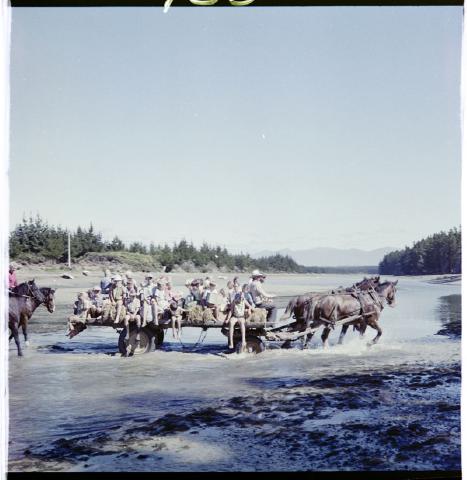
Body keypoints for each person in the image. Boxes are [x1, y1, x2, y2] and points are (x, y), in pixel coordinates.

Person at [123, 291, 142, 355]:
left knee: (138, 318)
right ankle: (127, 334)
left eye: (134, 296)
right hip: (129, 313)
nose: (133, 297)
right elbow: (126, 310)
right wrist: (130, 315)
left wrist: (133, 315)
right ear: (130, 296)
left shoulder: (137, 301)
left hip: (135, 313)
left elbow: (137, 309)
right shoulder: (127, 301)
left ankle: (138, 335)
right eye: (132, 296)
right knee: (126, 318)